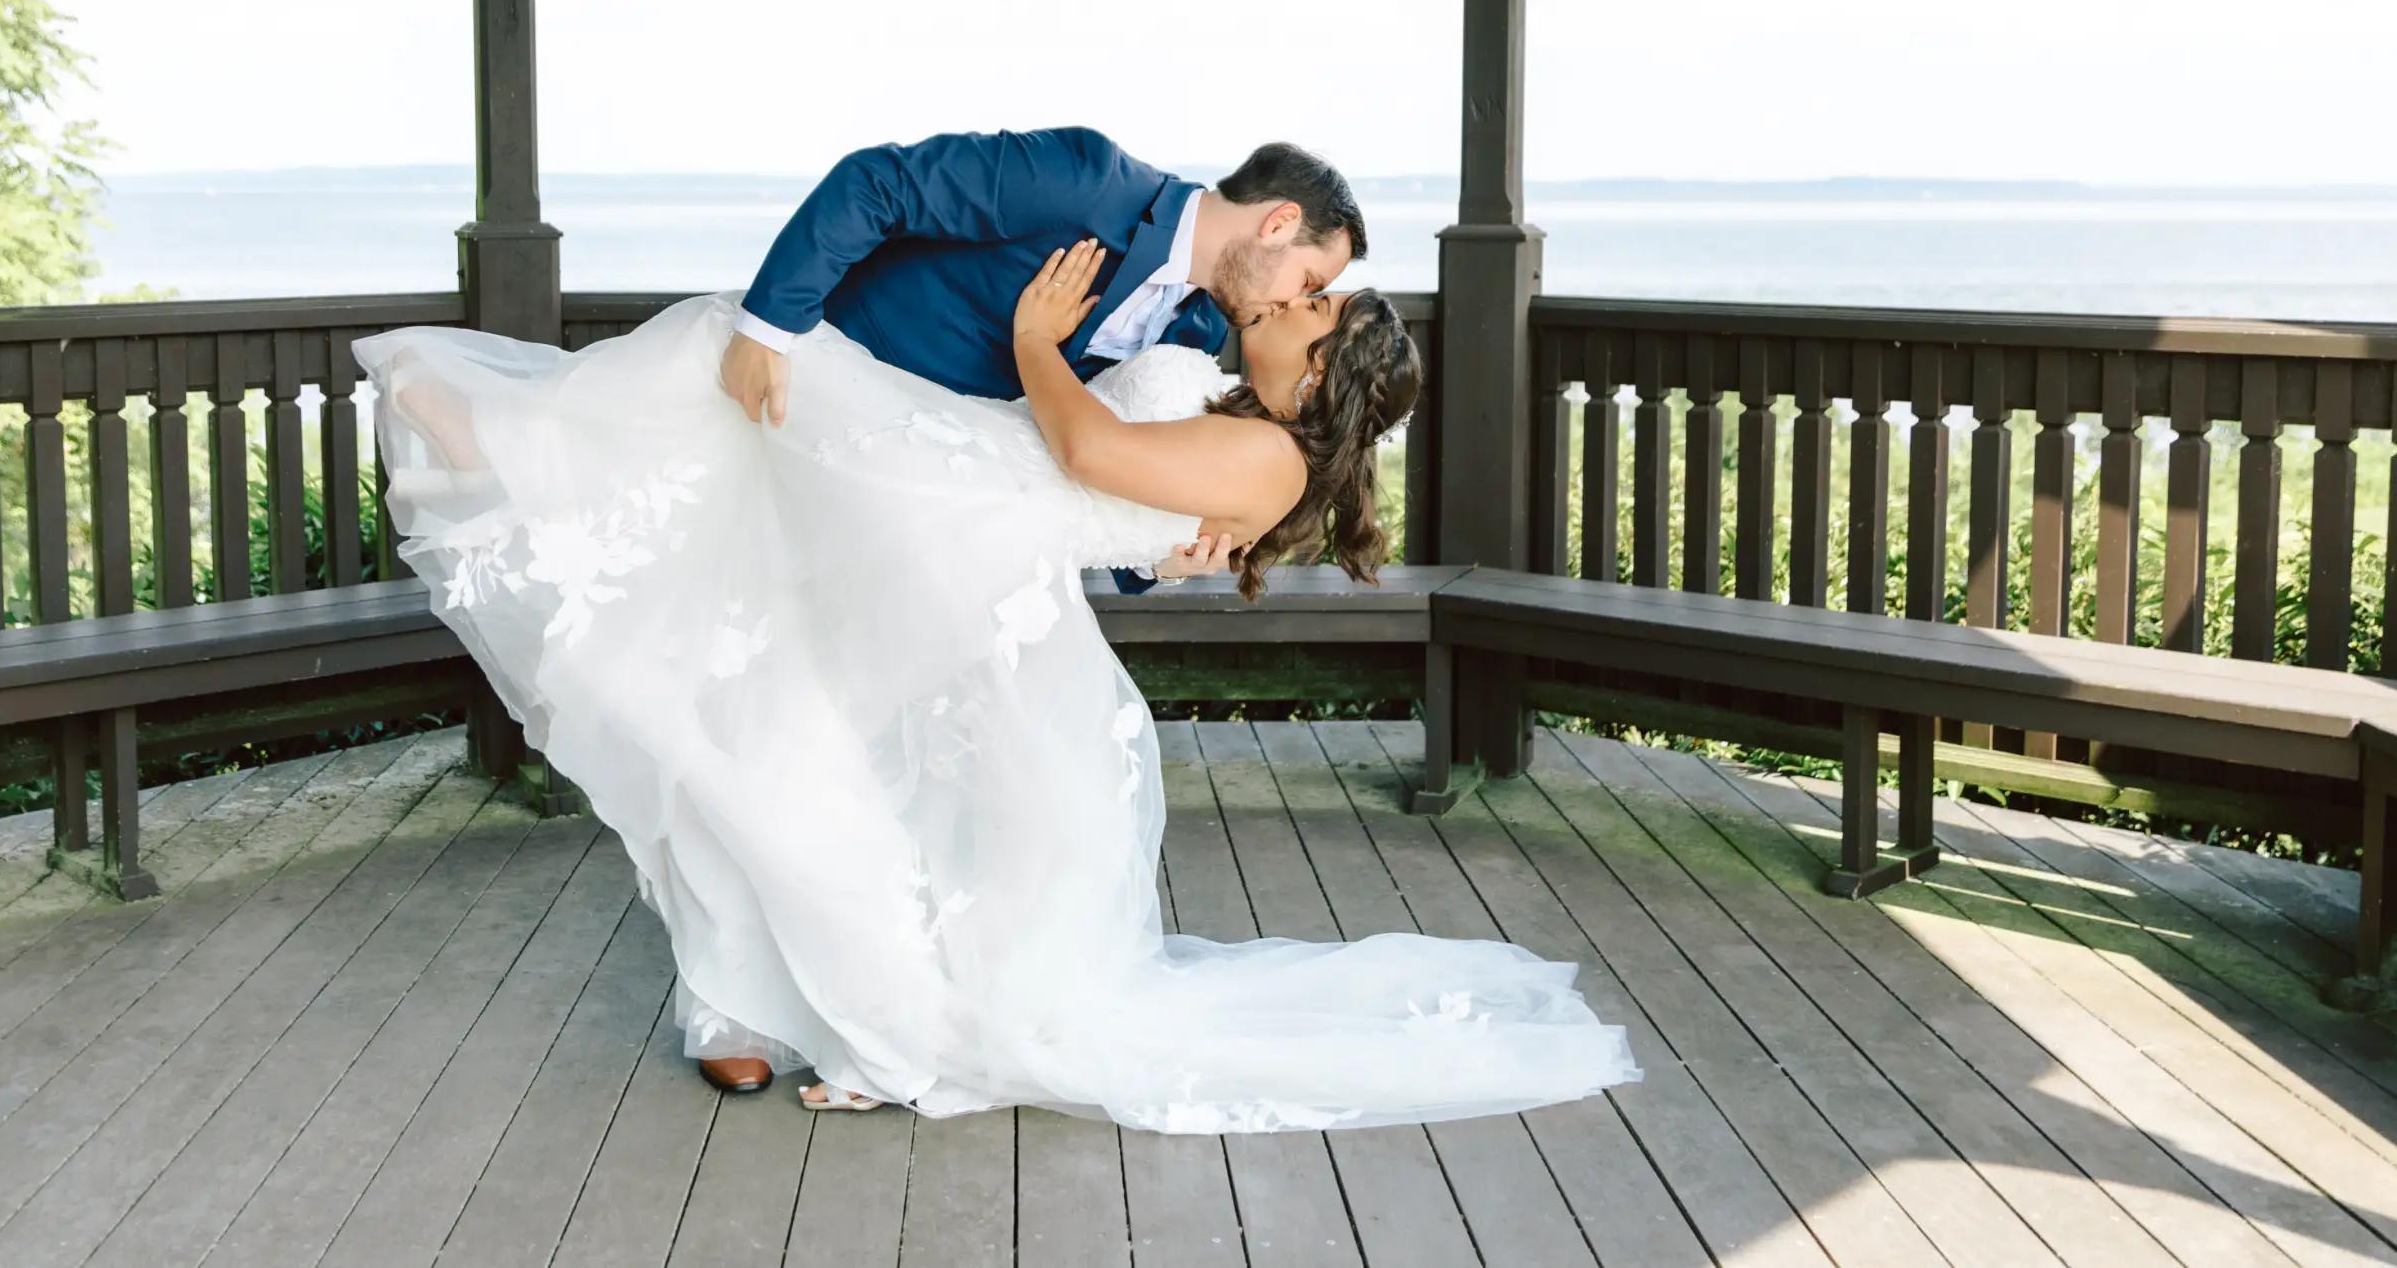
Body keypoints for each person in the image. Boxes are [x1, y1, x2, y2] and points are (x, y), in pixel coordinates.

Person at [352, 132, 1639, 1133]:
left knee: (776, 742)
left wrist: (1144, 532)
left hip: (926, 533)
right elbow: (880, 186)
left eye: (1321, 305)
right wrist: (767, 326)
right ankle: (735, 1003)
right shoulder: (1088, 181)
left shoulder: (1208, 345)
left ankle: (823, 1007)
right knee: (722, 676)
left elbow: (1093, 466)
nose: (1311, 295)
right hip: (835, 434)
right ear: (1278, 223)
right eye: (1315, 277)